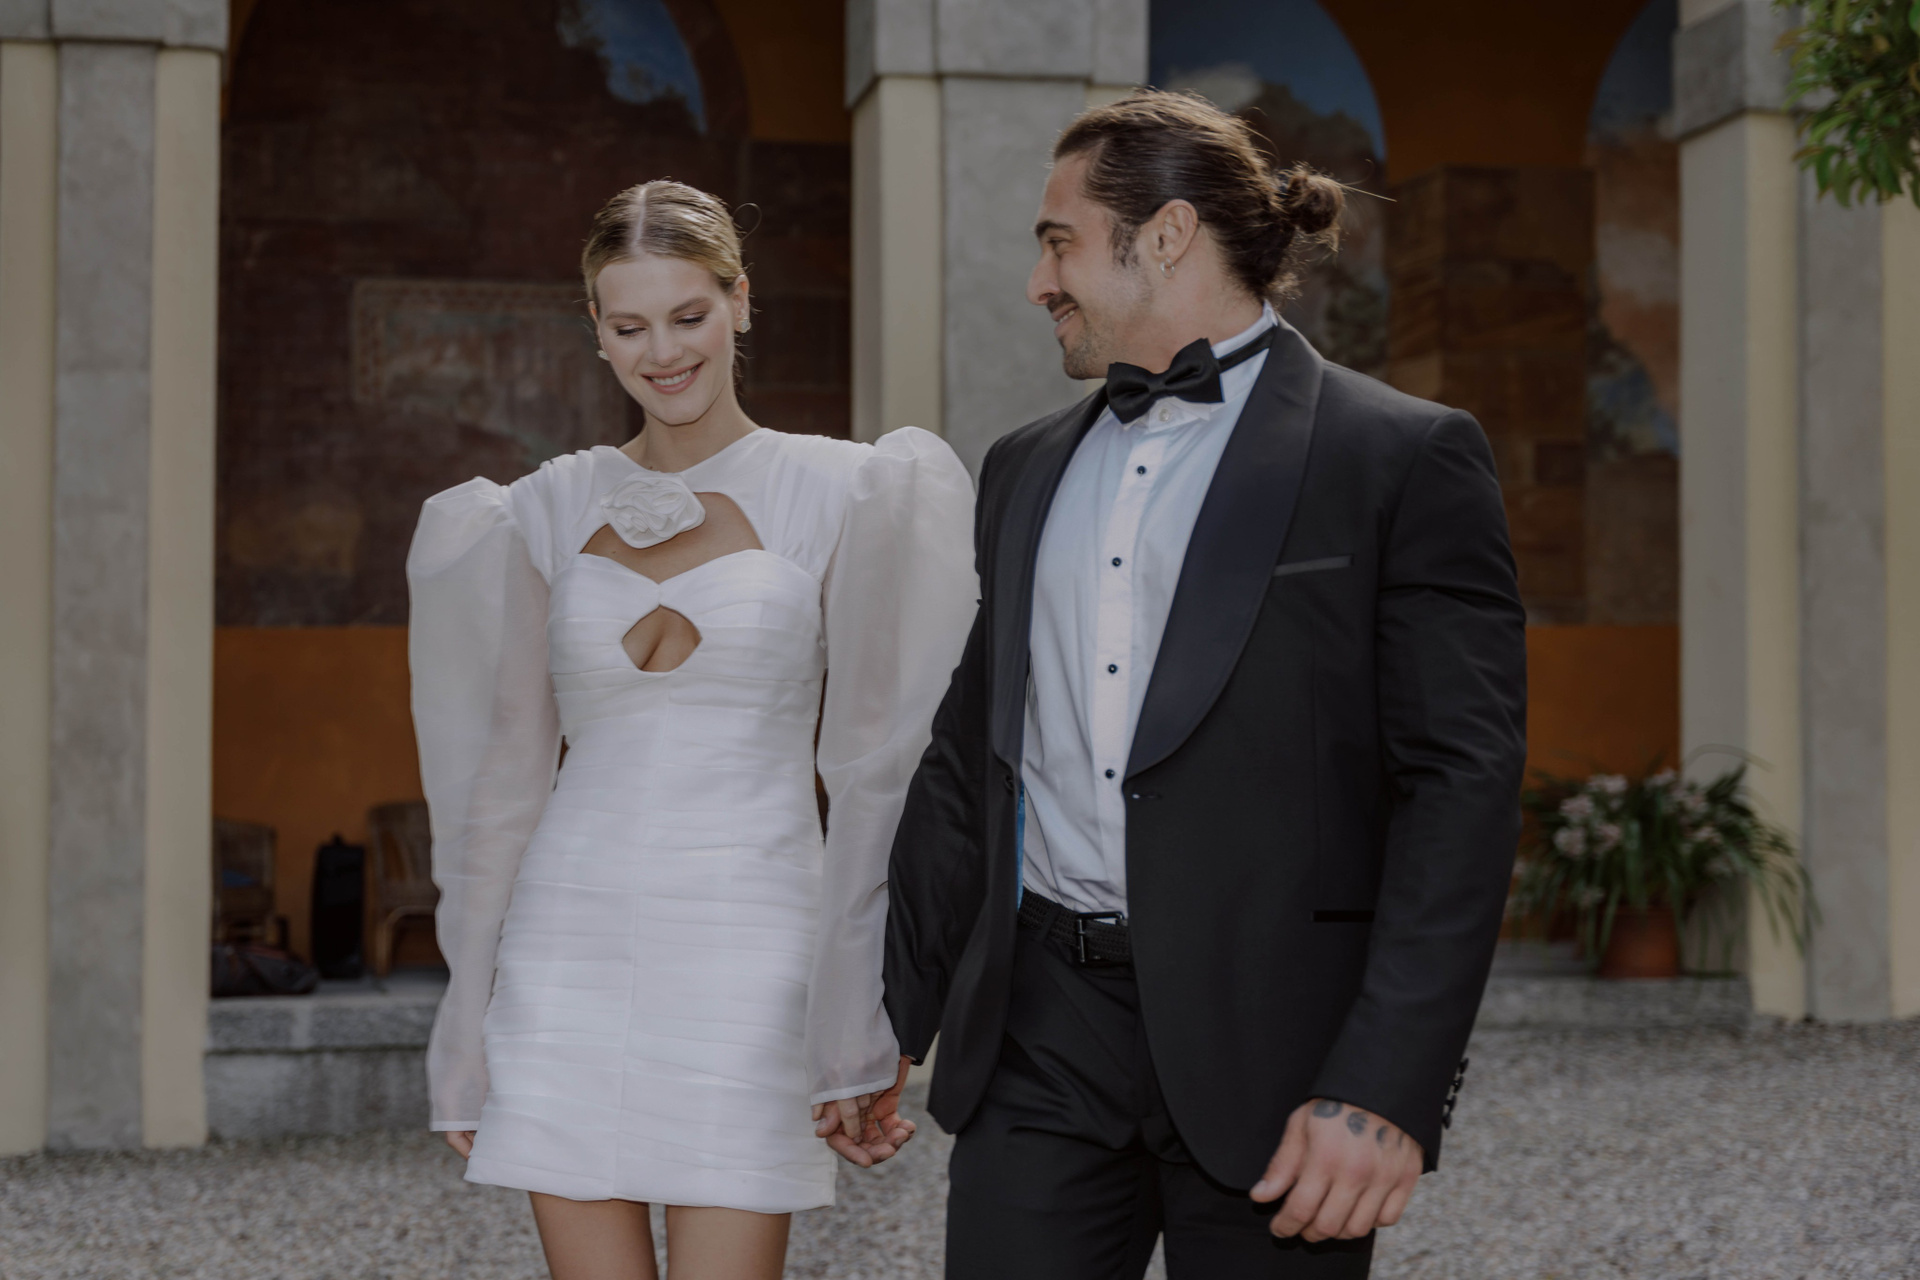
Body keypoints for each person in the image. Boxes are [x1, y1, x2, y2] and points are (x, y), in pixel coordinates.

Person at [883, 90, 1528, 1279]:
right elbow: (971, 756)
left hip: (1282, 1054)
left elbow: (1461, 786)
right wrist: (888, 1017)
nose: (1038, 282)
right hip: (1042, 1034)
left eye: (1059, 241)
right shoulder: (1021, 468)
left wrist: (1387, 1081)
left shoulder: (1400, 457)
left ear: (1168, 234)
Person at [408, 179, 975, 1280]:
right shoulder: (538, 508)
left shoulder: (848, 488)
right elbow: (504, 786)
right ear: (596, 329)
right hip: (563, 944)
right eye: (630, 326)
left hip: (752, 952)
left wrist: (858, 1012)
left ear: (740, 302)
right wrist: (464, 1020)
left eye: (688, 315)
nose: (662, 352)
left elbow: (878, 774)